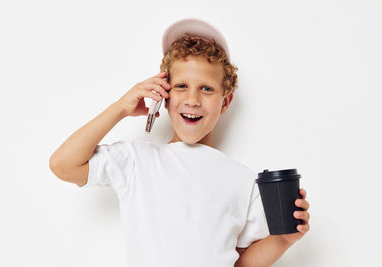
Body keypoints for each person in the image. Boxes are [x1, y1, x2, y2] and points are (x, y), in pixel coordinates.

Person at [49, 18, 310, 267]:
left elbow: (241, 262)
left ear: (226, 102)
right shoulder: (137, 161)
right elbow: (63, 165)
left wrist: (283, 238)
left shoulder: (243, 180)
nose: (193, 100)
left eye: (206, 89)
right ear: (164, 94)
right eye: (182, 86)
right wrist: (121, 108)